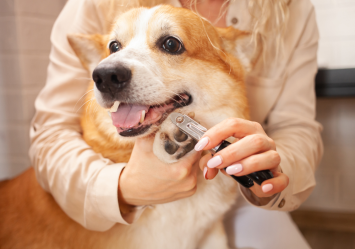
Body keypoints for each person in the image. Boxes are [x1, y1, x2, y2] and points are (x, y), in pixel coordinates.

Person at [29, 0, 323, 248]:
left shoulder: (292, 10)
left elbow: (297, 128)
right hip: (103, 194)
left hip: (234, 193)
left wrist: (270, 172)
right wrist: (122, 188)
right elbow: (49, 134)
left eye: (170, 44)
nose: (108, 69)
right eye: (115, 47)